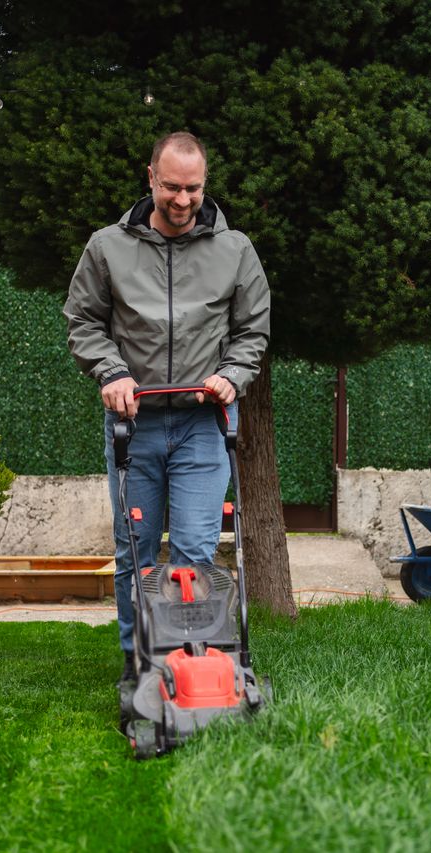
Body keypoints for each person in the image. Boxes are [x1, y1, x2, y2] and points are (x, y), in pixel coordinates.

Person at [64, 131, 271, 685]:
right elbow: (83, 321)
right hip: (136, 424)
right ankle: (139, 666)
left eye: (194, 189)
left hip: (205, 424)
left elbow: (252, 331)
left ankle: (190, 666)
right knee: (134, 554)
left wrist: (232, 375)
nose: (183, 200)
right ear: (151, 177)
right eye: (172, 187)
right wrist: (112, 372)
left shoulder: (235, 250)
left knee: (194, 552)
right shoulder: (107, 247)